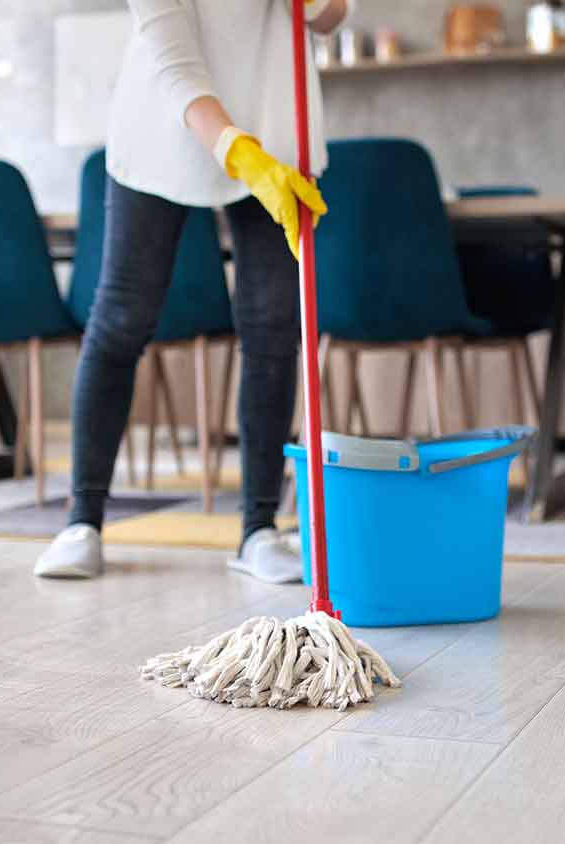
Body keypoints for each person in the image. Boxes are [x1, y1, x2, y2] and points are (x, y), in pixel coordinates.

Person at [35, 0, 349, 581]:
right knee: (122, 316)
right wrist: (237, 152)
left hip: (277, 123)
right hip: (165, 128)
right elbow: (176, 67)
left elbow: (328, 18)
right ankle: (82, 521)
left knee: (272, 324)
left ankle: (259, 528)